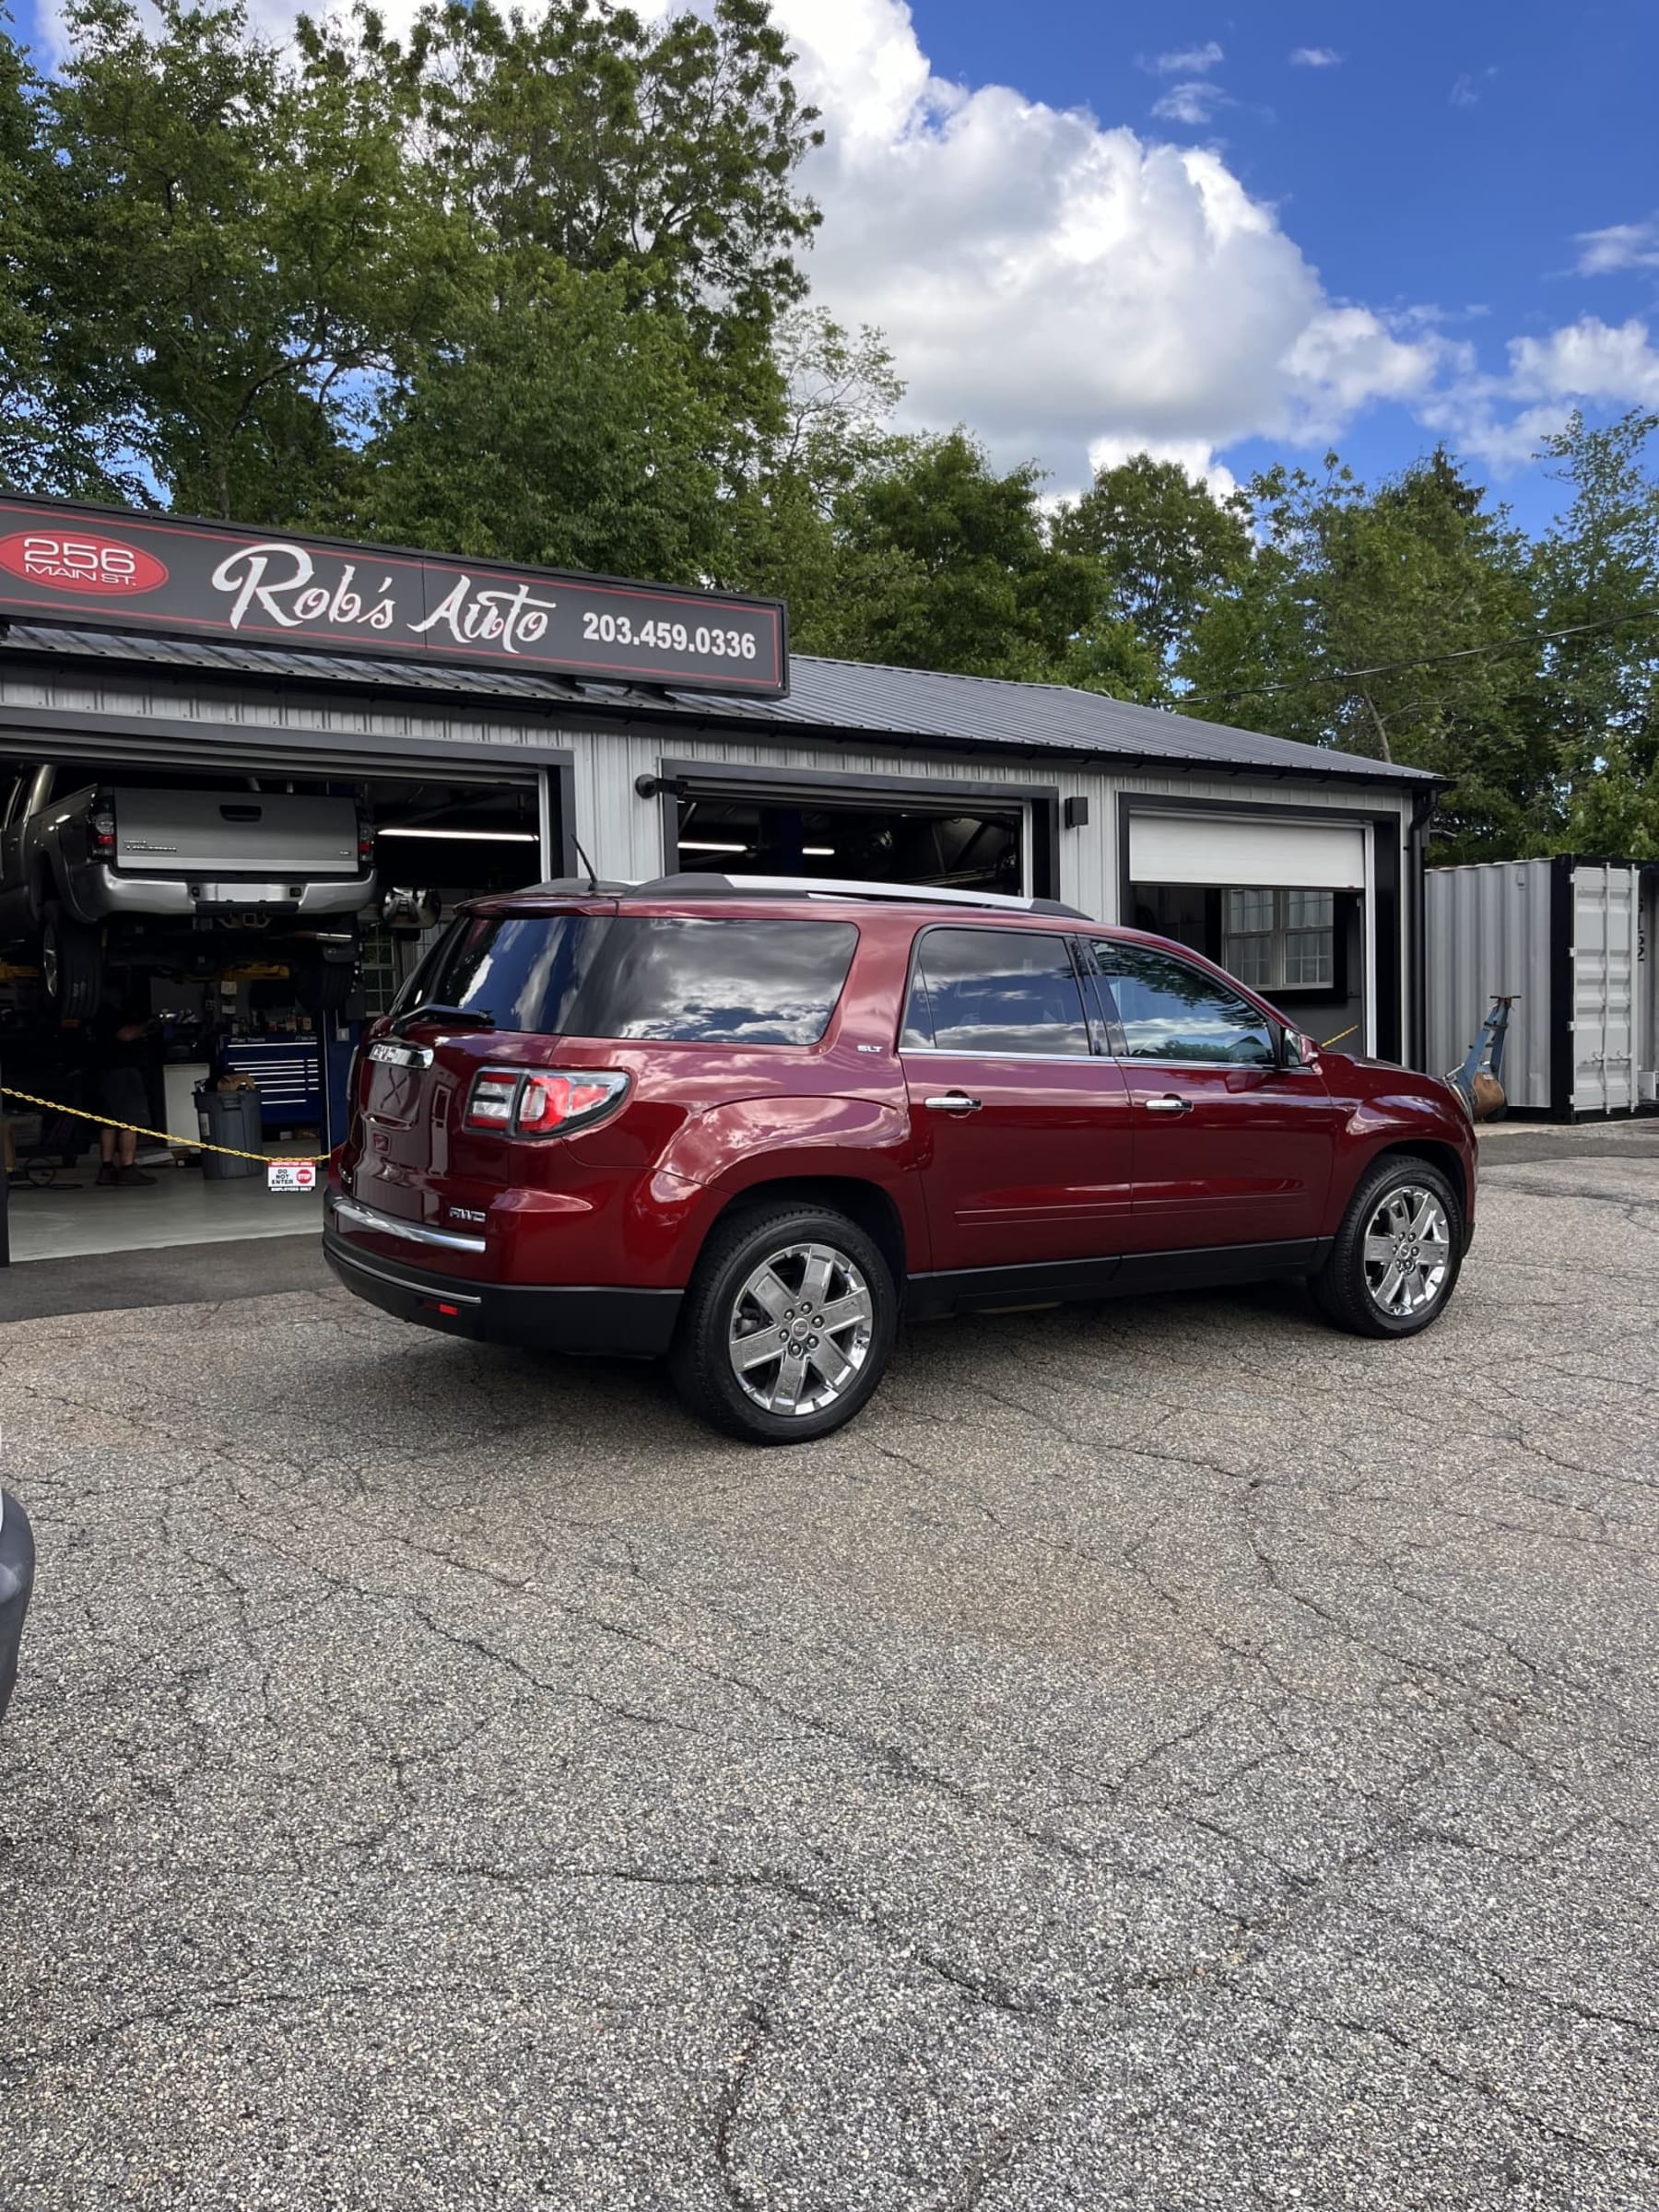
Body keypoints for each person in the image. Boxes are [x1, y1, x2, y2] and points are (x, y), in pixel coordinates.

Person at [88, 990, 158, 1187]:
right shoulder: (109, 1012)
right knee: (130, 1120)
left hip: (106, 1071)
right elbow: (125, 1034)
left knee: (108, 1122)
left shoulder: (95, 1011)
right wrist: (148, 1024)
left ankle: (107, 1169)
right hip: (122, 1072)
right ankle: (128, 1169)